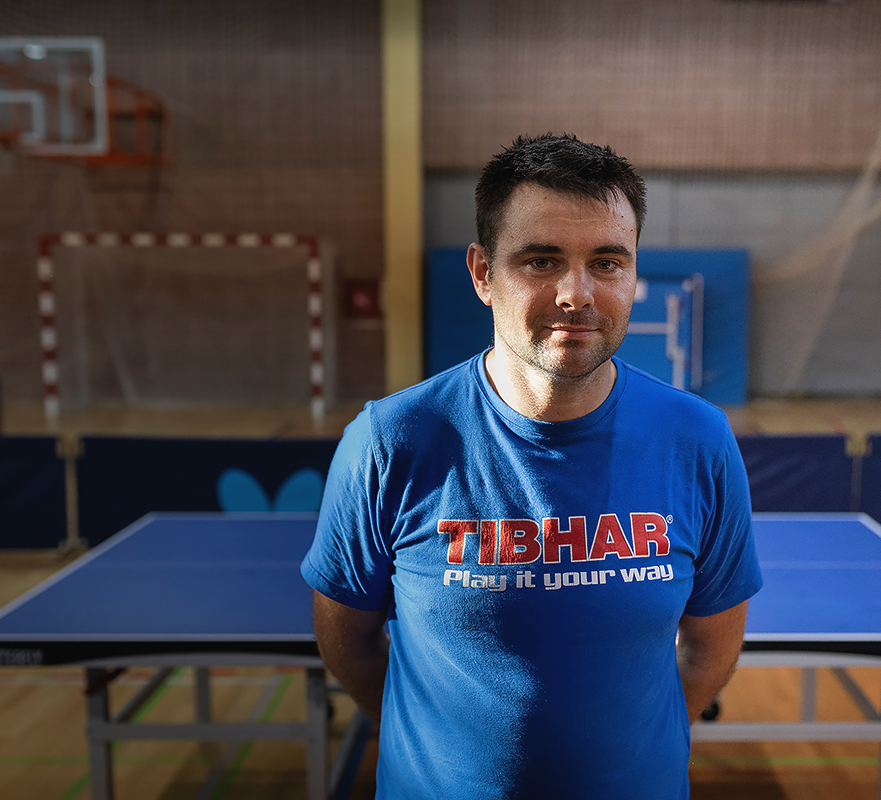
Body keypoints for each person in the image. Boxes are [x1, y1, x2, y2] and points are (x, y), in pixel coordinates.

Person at [302, 133, 763, 799]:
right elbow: (348, 642)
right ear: (483, 274)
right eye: (542, 261)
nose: (577, 293)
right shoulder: (390, 441)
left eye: (607, 263)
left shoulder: (699, 439)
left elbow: (710, 650)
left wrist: (627, 757)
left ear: (633, 275)